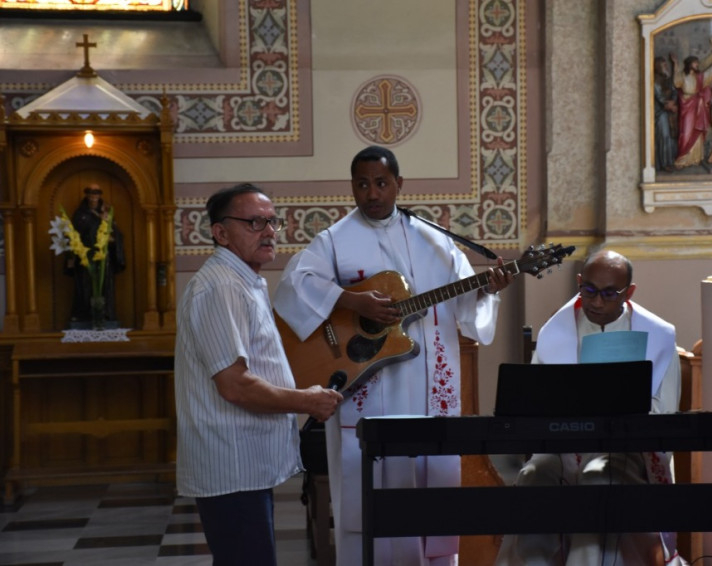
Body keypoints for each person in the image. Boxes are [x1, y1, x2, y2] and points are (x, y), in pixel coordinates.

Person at [273, 145, 513, 566]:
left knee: (431, 486)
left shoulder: (435, 241)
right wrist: (351, 301)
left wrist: (486, 291)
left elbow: (465, 307)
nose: (372, 193)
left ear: (399, 184)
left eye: (381, 183)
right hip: (366, 382)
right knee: (369, 492)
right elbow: (295, 285)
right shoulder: (335, 241)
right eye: (362, 184)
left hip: (427, 391)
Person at [174, 183, 343, 565]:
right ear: (221, 233)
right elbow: (234, 385)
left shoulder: (242, 281)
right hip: (232, 466)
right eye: (254, 222)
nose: (268, 231)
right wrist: (306, 401)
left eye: (271, 222)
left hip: (245, 464)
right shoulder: (220, 287)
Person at [495, 249, 684, 566]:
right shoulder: (556, 331)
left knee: (598, 477)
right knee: (533, 475)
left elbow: (663, 413)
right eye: (589, 290)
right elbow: (536, 401)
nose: (596, 302)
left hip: (625, 449)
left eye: (609, 293)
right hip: (562, 445)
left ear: (629, 292)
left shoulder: (658, 336)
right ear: (579, 282)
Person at [66, 184, 126, 327]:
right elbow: (74, 235)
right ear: (87, 195)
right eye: (91, 194)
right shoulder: (80, 214)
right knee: (84, 286)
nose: (93, 197)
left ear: (99, 196)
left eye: (96, 194)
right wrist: (72, 255)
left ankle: (105, 314)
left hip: (103, 257)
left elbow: (115, 233)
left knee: (104, 285)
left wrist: (111, 237)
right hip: (86, 256)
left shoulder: (106, 213)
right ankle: (83, 315)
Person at [671, 54, 712, 171]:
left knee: (697, 130)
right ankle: (682, 159)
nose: (697, 65)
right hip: (687, 106)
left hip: (697, 107)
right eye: (695, 63)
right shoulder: (683, 76)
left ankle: (695, 158)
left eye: (697, 63)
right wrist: (675, 64)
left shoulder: (698, 77)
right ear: (689, 64)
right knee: (686, 132)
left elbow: (708, 76)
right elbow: (676, 82)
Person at [654, 56, 678, 173]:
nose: (666, 67)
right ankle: (664, 163)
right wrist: (670, 106)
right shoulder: (655, 82)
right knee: (664, 136)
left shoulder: (666, 79)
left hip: (668, 112)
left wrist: (673, 101)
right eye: (664, 65)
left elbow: (674, 90)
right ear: (658, 67)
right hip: (659, 114)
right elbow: (660, 98)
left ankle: (670, 161)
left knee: (671, 137)